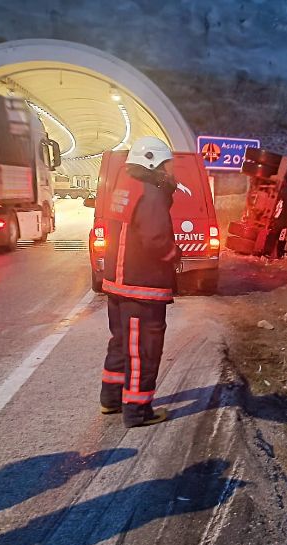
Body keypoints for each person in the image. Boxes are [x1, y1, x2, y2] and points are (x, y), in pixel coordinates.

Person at [99, 136, 179, 427]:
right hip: (142, 288)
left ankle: (111, 399)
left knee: (121, 343)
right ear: (152, 161)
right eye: (166, 164)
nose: (170, 170)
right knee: (144, 350)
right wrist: (174, 255)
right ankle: (137, 410)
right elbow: (156, 238)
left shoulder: (124, 188)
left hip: (118, 284)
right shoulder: (150, 193)